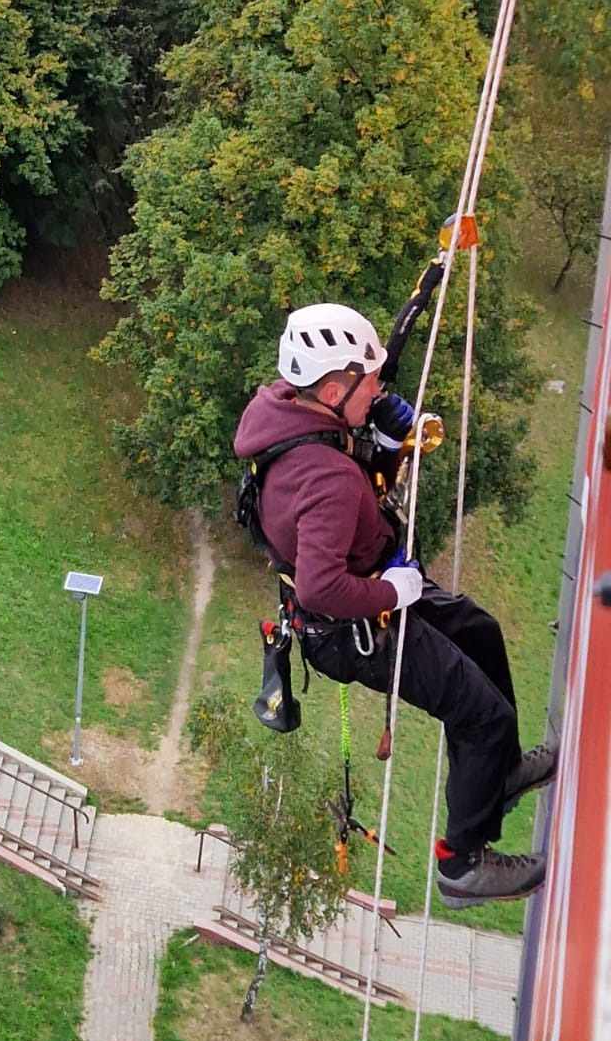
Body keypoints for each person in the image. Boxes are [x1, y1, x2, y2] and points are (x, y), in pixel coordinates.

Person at [234, 302, 556, 911]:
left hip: (370, 585)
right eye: (370, 382)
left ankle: (502, 772)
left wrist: (380, 435)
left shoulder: (282, 409)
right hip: (356, 625)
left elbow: (345, 461)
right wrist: (394, 593)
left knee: (481, 632)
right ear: (333, 391)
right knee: (480, 714)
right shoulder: (324, 479)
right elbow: (320, 587)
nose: (380, 389)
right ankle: (462, 865)